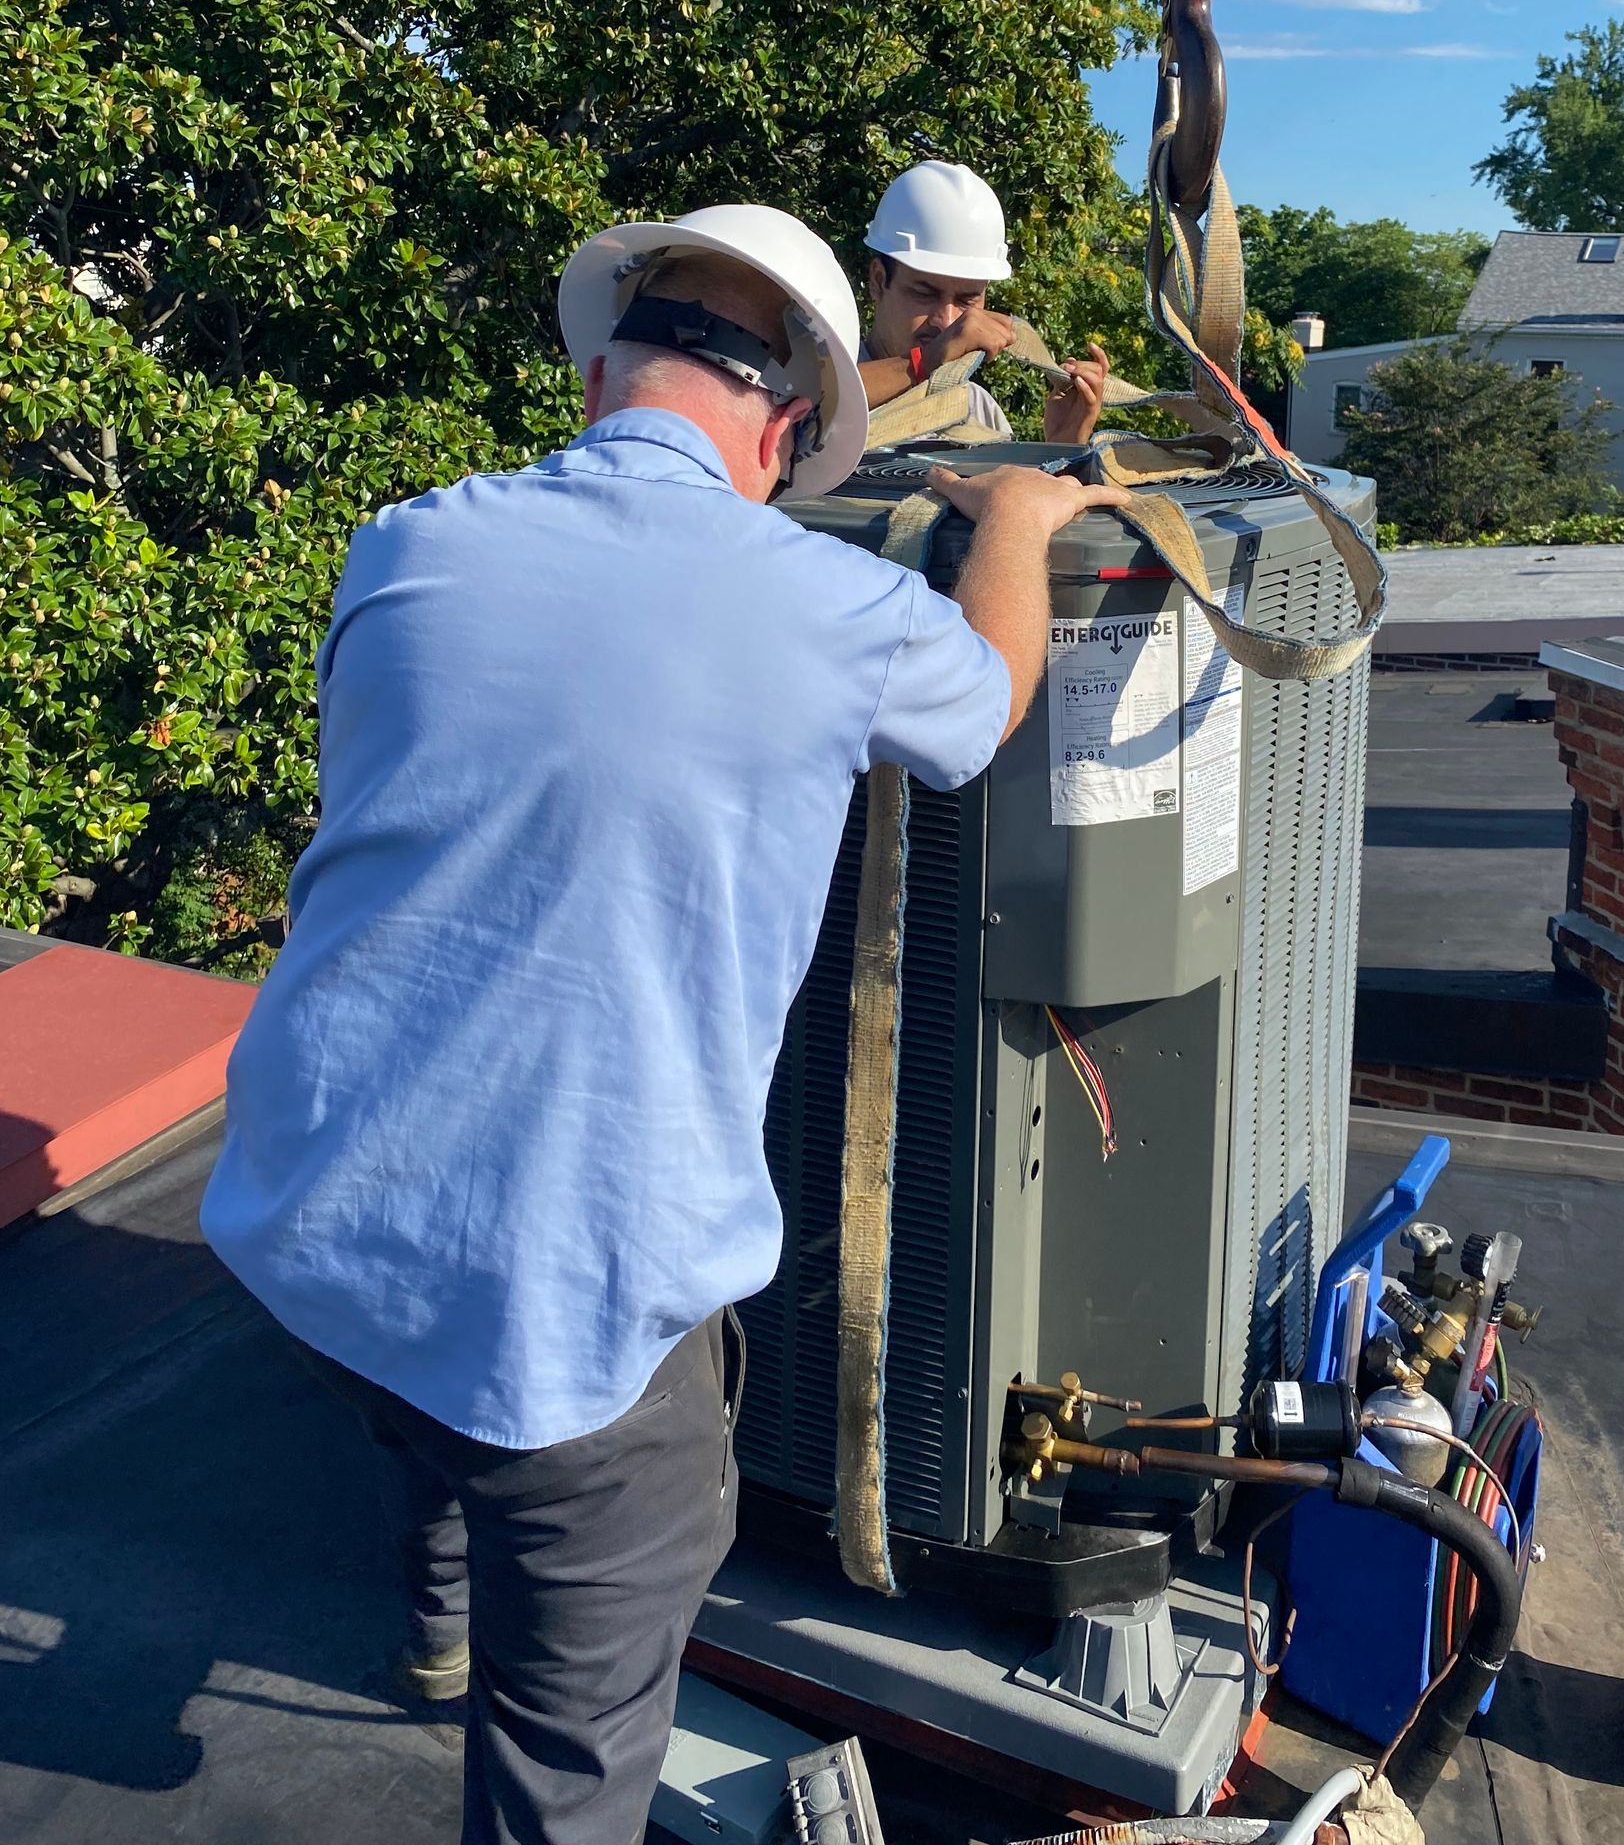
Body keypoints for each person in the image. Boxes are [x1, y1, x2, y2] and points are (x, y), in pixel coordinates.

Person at [200, 202, 1119, 1845]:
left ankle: (435, 1621)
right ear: (782, 431)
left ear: (601, 379)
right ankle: (501, 1661)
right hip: (562, 1321)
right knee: (575, 1725)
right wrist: (1023, 516)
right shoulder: (810, 606)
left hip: (312, 1226)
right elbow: (981, 705)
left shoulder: (406, 543)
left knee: (423, 1383)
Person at [858, 160, 1111, 444]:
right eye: (924, 293)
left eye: (967, 299)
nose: (948, 322)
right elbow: (824, 400)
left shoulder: (977, 411)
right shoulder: (815, 381)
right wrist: (923, 362)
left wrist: (1063, 446)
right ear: (878, 281)